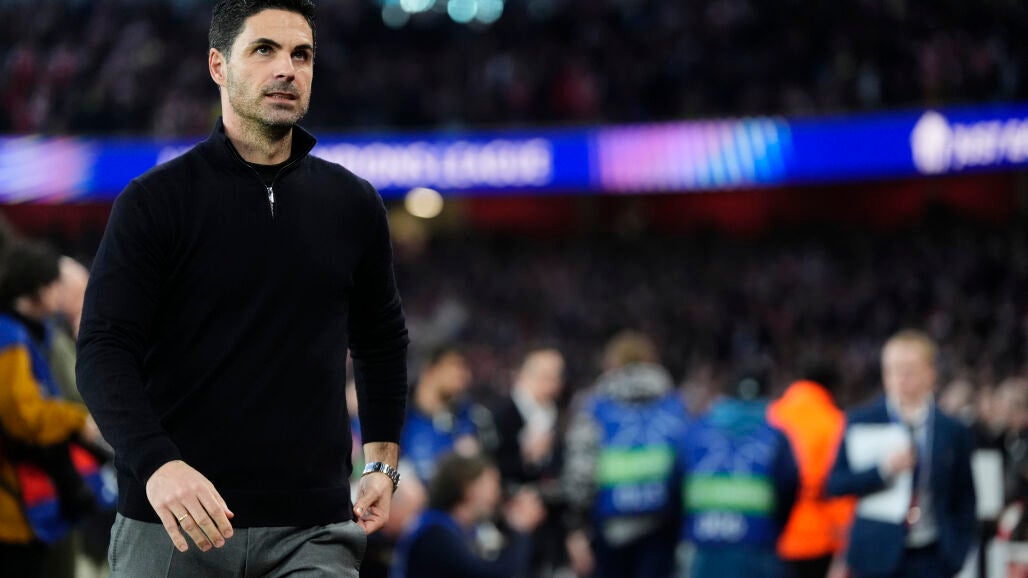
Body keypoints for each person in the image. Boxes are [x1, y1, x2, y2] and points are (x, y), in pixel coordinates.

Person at [75, 1, 410, 576]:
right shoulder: (154, 202)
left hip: (313, 528)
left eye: (301, 55)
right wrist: (158, 465)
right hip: (176, 525)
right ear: (218, 65)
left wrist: (381, 461)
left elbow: (380, 339)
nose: (287, 69)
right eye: (264, 50)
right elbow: (103, 350)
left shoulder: (354, 203)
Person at [826, 330, 976, 578]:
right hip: (874, 555)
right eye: (894, 369)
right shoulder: (860, 420)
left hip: (932, 556)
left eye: (910, 369)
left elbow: (964, 497)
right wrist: (883, 470)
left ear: (930, 373)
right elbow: (835, 483)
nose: (902, 378)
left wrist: (957, 553)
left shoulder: (952, 430)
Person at [0, 240, 104, 577]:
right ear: (39, 288)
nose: (61, 293)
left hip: (30, 496)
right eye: (55, 283)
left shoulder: (32, 331)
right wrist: (76, 420)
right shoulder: (8, 335)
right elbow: (24, 416)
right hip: (13, 507)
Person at [562, 331, 690, 578]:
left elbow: (581, 469)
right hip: (663, 522)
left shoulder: (595, 406)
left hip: (610, 525)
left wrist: (577, 523)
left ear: (611, 363)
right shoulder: (675, 405)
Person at [678, 361, 799, 578]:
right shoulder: (775, 437)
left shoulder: (696, 432)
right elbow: (789, 486)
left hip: (703, 550)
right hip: (758, 549)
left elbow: (675, 486)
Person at [391, 452, 546, 578]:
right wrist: (519, 529)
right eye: (492, 485)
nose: (497, 495)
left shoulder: (453, 529)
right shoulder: (434, 534)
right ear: (469, 488)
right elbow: (488, 575)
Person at [766, 361, 854, 578]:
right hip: (817, 538)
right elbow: (839, 488)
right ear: (832, 387)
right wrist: (844, 548)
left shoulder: (771, 415)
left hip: (772, 535)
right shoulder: (834, 422)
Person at [490, 347, 568, 576]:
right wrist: (526, 459)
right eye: (545, 375)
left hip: (552, 528)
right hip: (509, 525)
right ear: (524, 375)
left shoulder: (561, 418)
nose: (552, 383)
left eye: (556, 376)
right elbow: (491, 468)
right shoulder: (499, 416)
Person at [401, 345, 494, 484]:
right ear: (431, 369)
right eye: (455, 366)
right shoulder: (400, 414)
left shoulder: (469, 417)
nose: (464, 375)